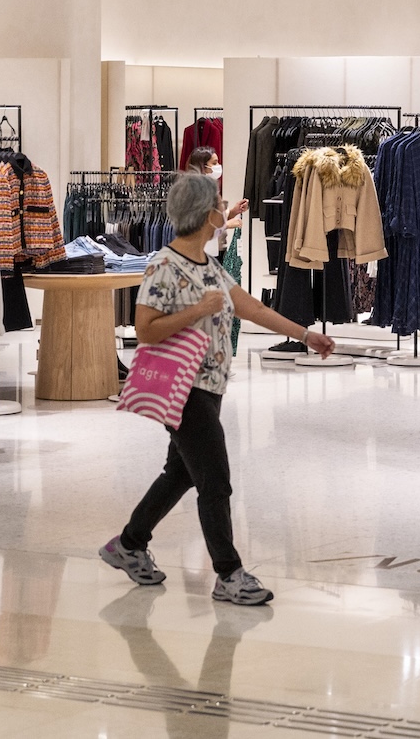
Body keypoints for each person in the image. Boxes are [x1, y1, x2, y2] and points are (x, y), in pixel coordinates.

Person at [101, 173, 335, 605]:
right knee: (216, 481)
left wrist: (306, 335)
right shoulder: (164, 266)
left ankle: (129, 545)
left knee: (182, 473)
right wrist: (196, 311)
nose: (224, 213)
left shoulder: (208, 266)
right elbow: (145, 330)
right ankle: (229, 574)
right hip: (184, 389)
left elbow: (253, 307)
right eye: (219, 206)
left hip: (210, 387)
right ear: (207, 214)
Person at [184, 146, 246, 263]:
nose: (218, 166)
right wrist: (227, 225)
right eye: (214, 163)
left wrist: (233, 211)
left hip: (215, 249)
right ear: (203, 166)